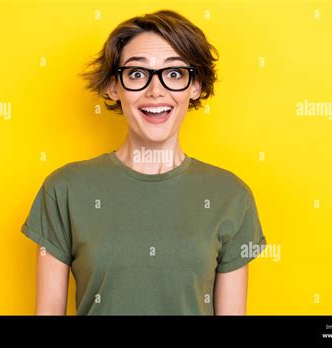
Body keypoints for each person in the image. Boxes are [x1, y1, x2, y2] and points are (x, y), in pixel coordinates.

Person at [21, 9, 267, 315]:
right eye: (137, 74)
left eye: (175, 73)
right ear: (114, 86)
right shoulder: (64, 189)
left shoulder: (230, 195)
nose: (156, 90)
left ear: (196, 86)